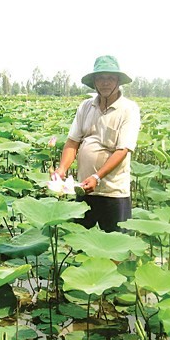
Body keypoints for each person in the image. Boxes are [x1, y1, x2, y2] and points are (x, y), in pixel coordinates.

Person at [53, 55, 141, 232]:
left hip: (113, 192)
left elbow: (122, 150)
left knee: (115, 247)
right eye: (100, 78)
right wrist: (62, 168)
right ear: (94, 82)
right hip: (84, 189)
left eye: (110, 78)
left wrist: (97, 177)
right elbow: (72, 141)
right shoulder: (85, 106)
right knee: (80, 243)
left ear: (118, 81)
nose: (105, 83)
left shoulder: (128, 109)